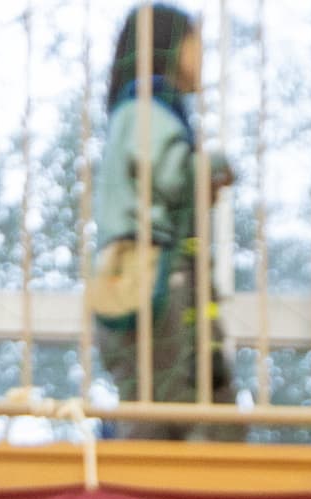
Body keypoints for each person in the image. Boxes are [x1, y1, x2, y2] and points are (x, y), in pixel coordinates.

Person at [85, 4, 234, 435]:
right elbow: (168, 177)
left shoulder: (135, 109)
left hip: (146, 277)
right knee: (163, 404)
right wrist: (215, 167)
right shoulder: (149, 105)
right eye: (196, 45)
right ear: (170, 47)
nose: (202, 58)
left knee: (171, 398)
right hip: (155, 280)